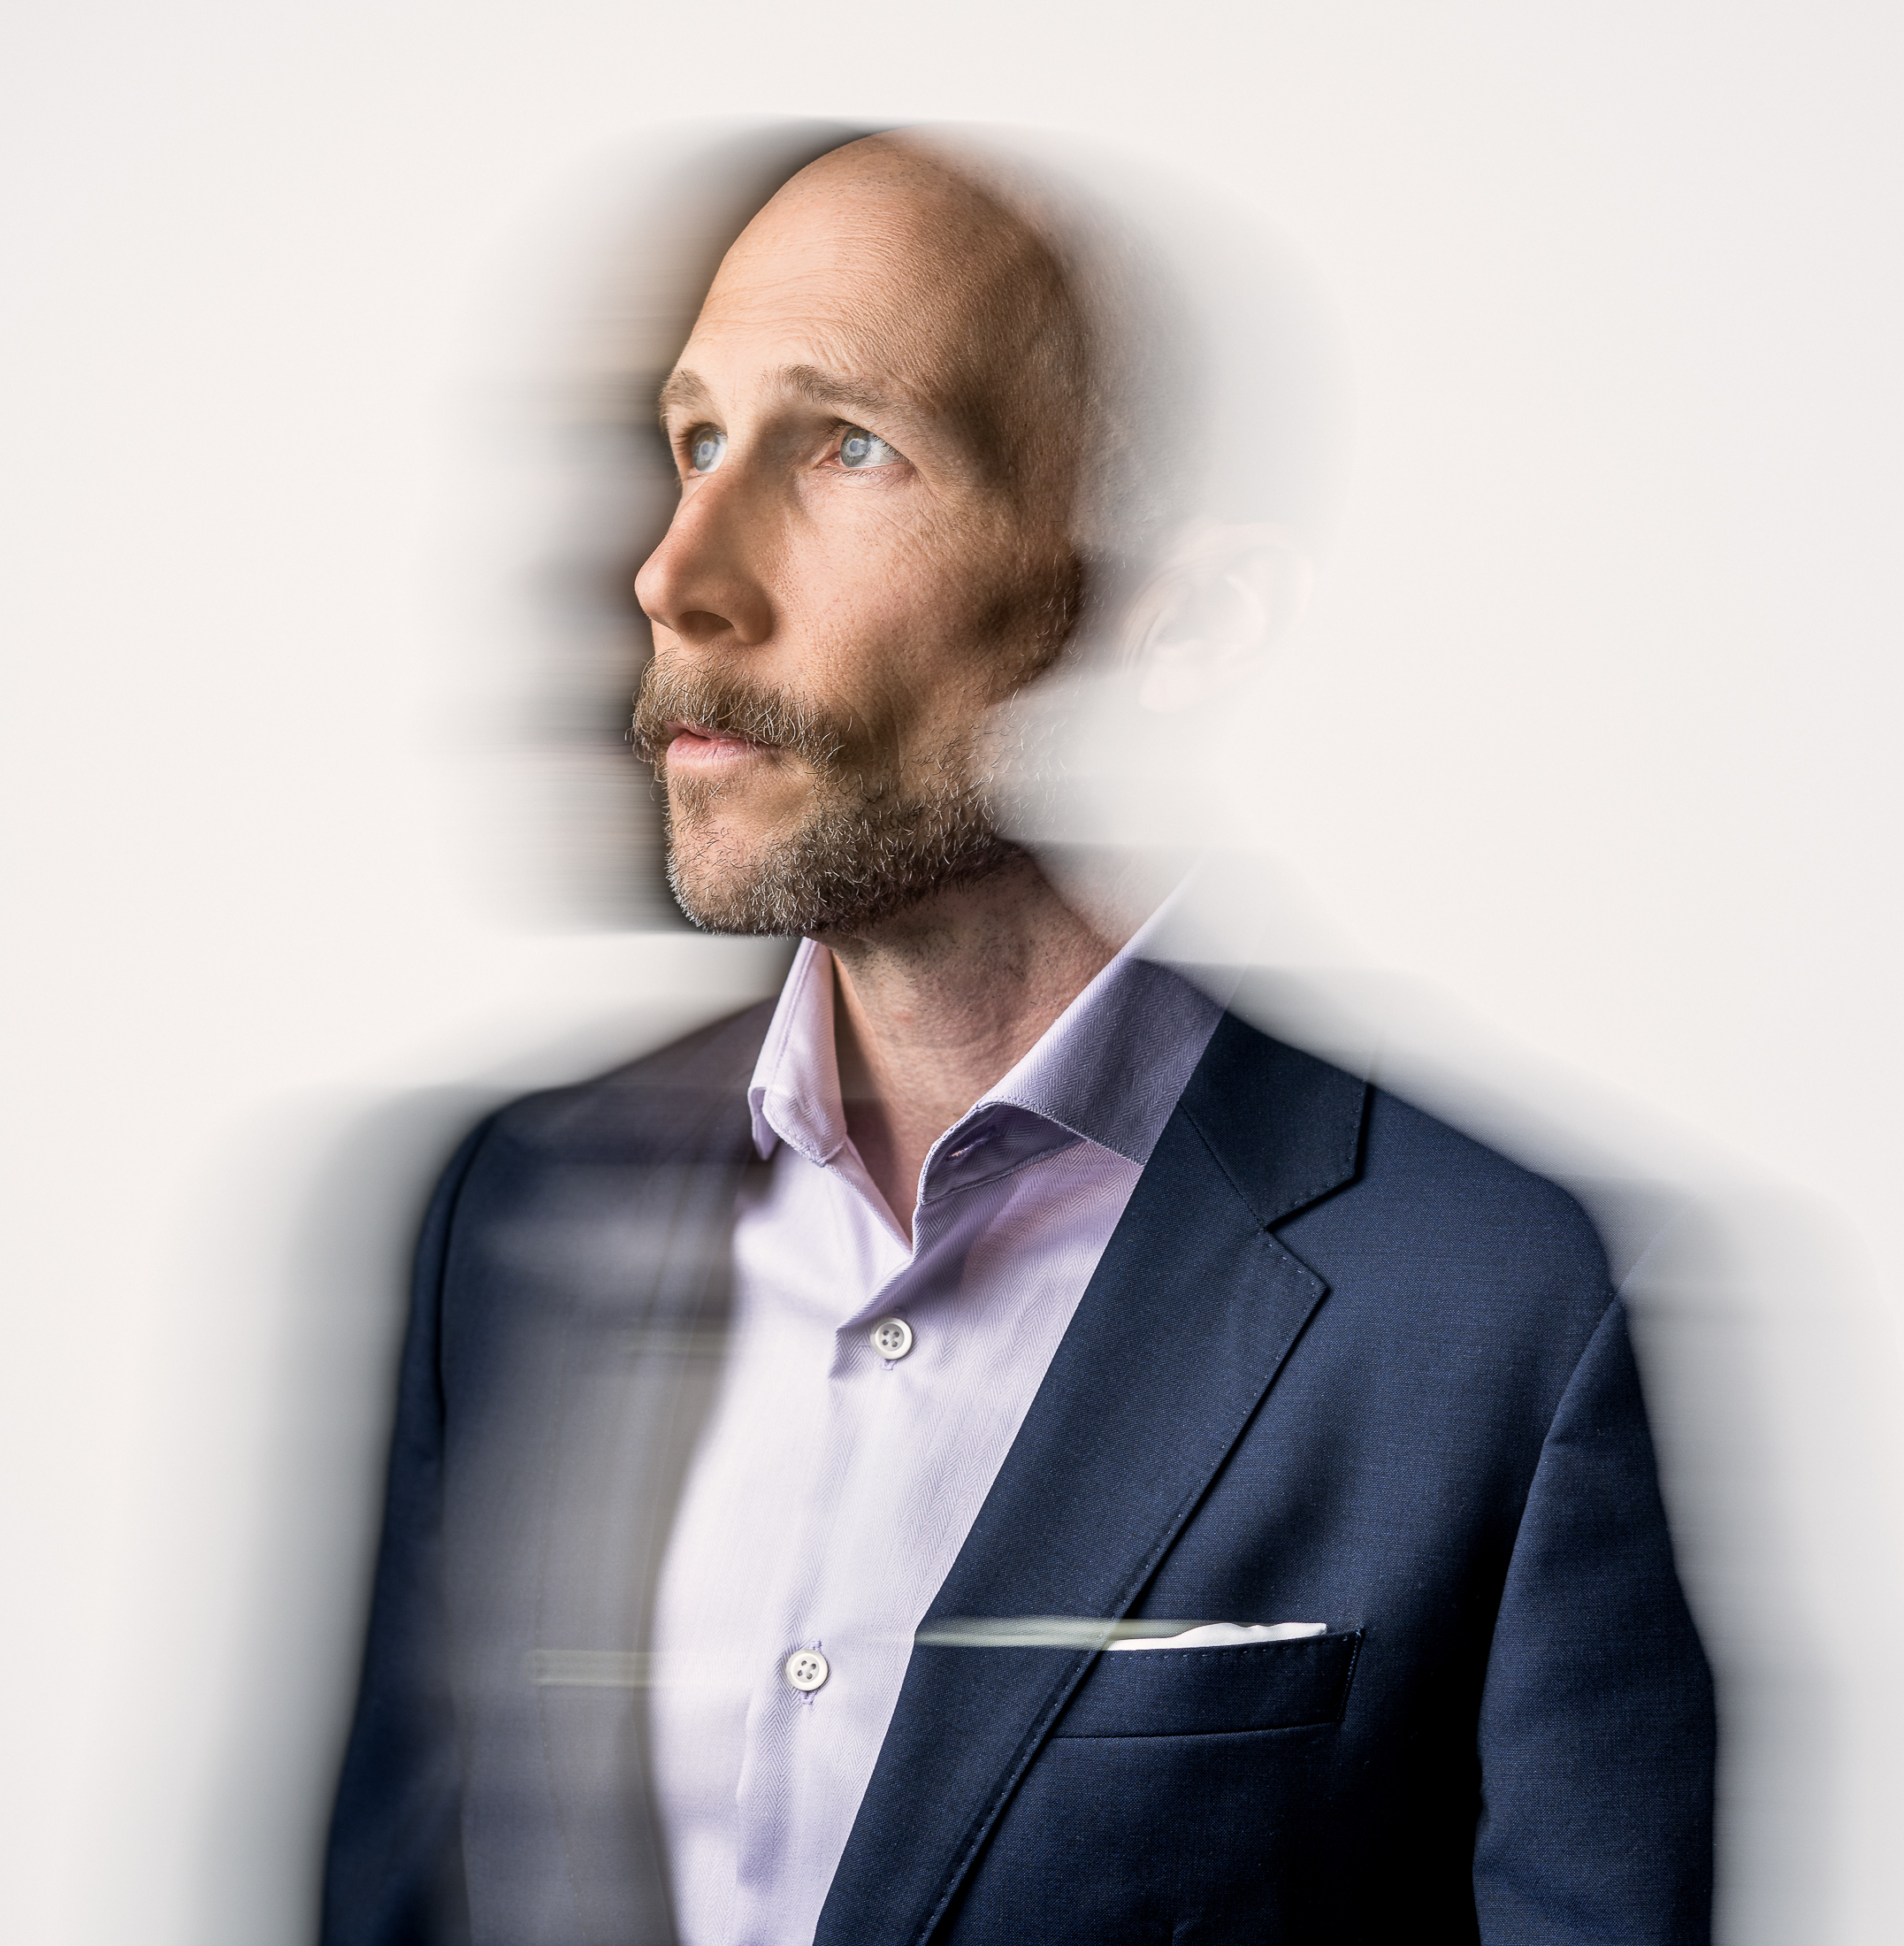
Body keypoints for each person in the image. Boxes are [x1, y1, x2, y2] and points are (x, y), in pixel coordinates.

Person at [322, 130, 1716, 1946]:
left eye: (847, 445)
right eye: (698, 441)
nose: (676, 573)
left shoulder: (1493, 1307)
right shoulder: (510, 1217)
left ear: (1170, 619)